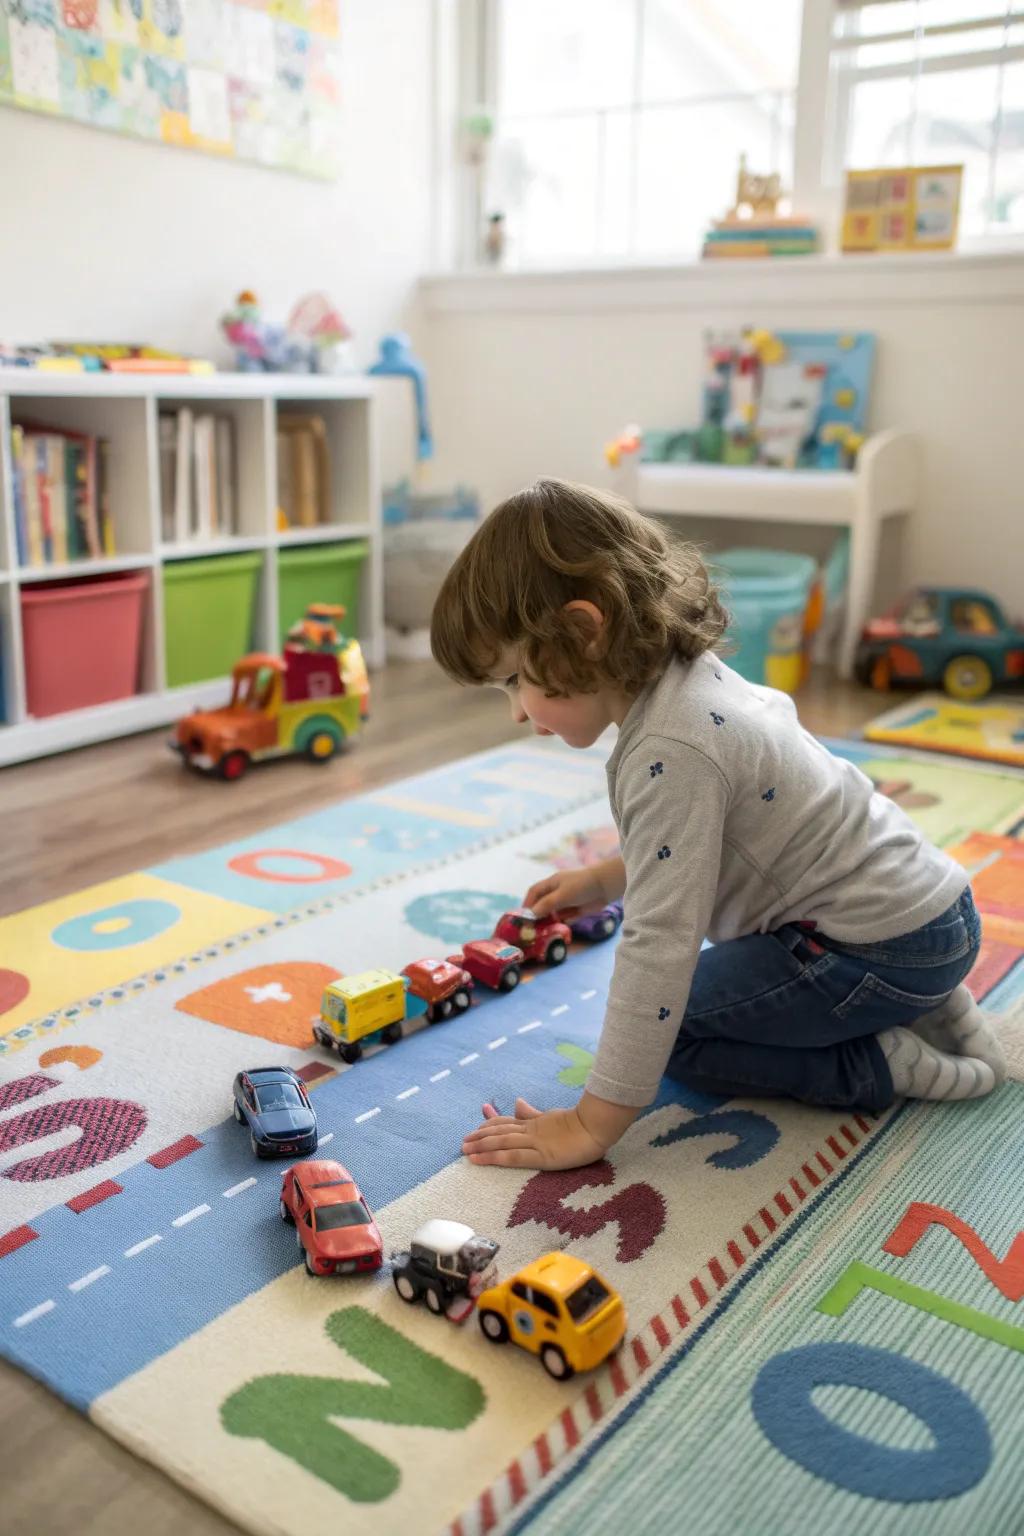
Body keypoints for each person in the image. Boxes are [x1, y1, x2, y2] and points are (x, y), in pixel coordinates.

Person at [430, 479, 1006, 1172]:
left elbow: (659, 946)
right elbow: (722, 835)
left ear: (583, 633)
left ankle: (878, 1062)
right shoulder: (694, 679)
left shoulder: (670, 751)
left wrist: (591, 1124)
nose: (517, 712)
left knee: (676, 1031)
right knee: (684, 1008)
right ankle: (924, 1000)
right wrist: (611, 877)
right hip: (932, 914)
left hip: (878, 950)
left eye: (514, 680)